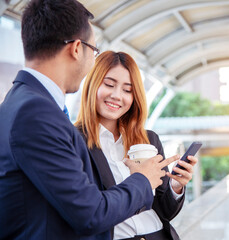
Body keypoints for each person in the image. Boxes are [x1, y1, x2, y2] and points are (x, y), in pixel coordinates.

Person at [0, 0, 178, 239]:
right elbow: (90, 213)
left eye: (127, 89)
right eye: (94, 51)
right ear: (76, 48)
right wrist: (143, 180)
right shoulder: (36, 113)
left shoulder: (21, 104)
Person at [75, 51, 198, 240]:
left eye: (127, 90)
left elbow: (165, 211)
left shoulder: (149, 140)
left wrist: (176, 185)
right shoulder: (74, 141)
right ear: (93, 84)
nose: (117, 96)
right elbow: (86, 211)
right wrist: (140, 180)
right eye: (109, 84)